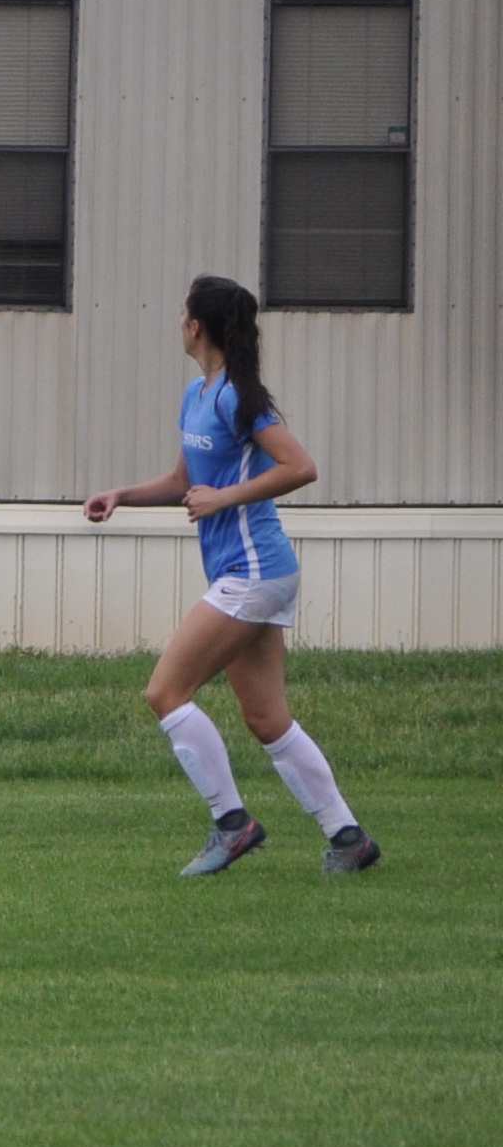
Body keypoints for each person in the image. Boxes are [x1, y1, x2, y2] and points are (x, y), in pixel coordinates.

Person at [85, 275, 379, 877]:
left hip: (255, 570)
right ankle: (349, 840)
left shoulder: (237, 398)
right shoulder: (198, 393)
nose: (179, 322)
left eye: (182, 313)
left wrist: (225, 499)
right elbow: (181, 483)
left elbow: (301, 467)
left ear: (196, 325)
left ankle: (232, 824)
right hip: (251, 573)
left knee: (165, 693)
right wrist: (121, 494)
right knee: (267, 718)